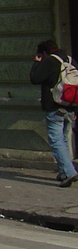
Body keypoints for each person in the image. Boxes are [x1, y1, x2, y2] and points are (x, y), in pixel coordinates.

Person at [31, 39, 78, 187]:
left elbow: (35, 78)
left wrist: (37, 62)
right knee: (64, 140)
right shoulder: (70, 60)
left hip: (54, 107)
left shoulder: (50, 61)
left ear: (44, 52)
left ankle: (69, 173)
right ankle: (64, 171)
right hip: (70, 106)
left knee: (56, 141)